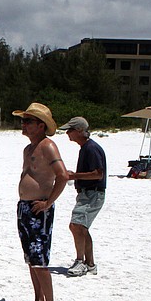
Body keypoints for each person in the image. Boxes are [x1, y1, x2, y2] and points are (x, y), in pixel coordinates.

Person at [12, 102, 68, 301]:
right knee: (30, 258)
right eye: (23, 121)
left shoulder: (48, 146)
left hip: (39, 208)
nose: (24, 125)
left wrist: (48, 203)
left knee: (40, 259)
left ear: (41, 125)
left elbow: (62, 175)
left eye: (28, 121)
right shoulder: (28, 149)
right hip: (25, 207)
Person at [61, 116, 106, 277]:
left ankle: (80, 261)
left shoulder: (91, 148)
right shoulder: (86, 148)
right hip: (89, 193)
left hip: (92, 193)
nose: (67, 133)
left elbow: (98, 174)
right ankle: (90, 264)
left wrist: (74, 176)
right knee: (81, 227)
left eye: (70, 130)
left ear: (80, 130)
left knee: (76, 225)